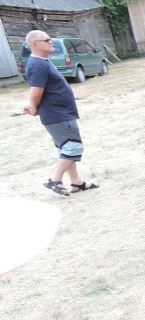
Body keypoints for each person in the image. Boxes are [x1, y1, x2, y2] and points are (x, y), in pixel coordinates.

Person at [22, 30, 99, 196]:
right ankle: (55, 180)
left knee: (66, 147)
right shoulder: (37, 64)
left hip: (59, 113)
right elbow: (36, 91)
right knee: (73, 146)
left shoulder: (43, 61)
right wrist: (34, 106)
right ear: (35, 44)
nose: (51, 42)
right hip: (57, 114)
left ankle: (76, 183)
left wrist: (33, 105)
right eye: (47, 40)